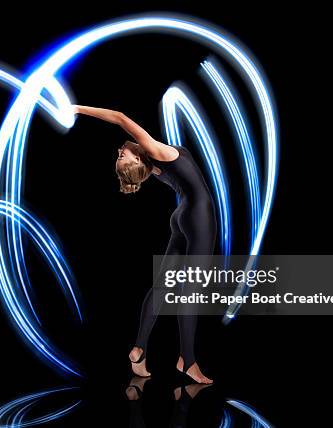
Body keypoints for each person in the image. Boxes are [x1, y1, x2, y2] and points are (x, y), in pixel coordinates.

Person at [74, 105, 216, 384]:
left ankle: (139, 350)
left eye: (119, 154)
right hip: (199, 217)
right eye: (122, 156)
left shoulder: (154, 166)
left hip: (180, 218)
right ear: (138, 155)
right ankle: (188, 361)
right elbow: (120, 118)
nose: (119, 151)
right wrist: (76, 109)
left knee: (162, 286)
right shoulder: (153, 151)